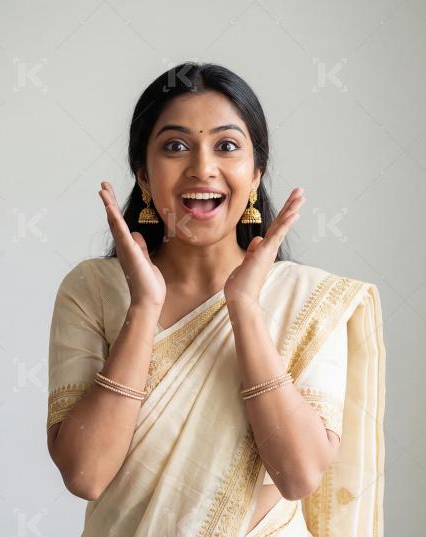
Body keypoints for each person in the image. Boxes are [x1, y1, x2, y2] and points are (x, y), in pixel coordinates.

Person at [46, 62, 386, 537]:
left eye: (226, 146)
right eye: (175, 146)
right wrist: (143, 308)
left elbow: (298, 475)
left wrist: (244, 308)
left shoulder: (308, 298)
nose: (202, 168)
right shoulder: (93, 289)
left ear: (255, 174)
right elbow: (86, 474)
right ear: (143, 176)